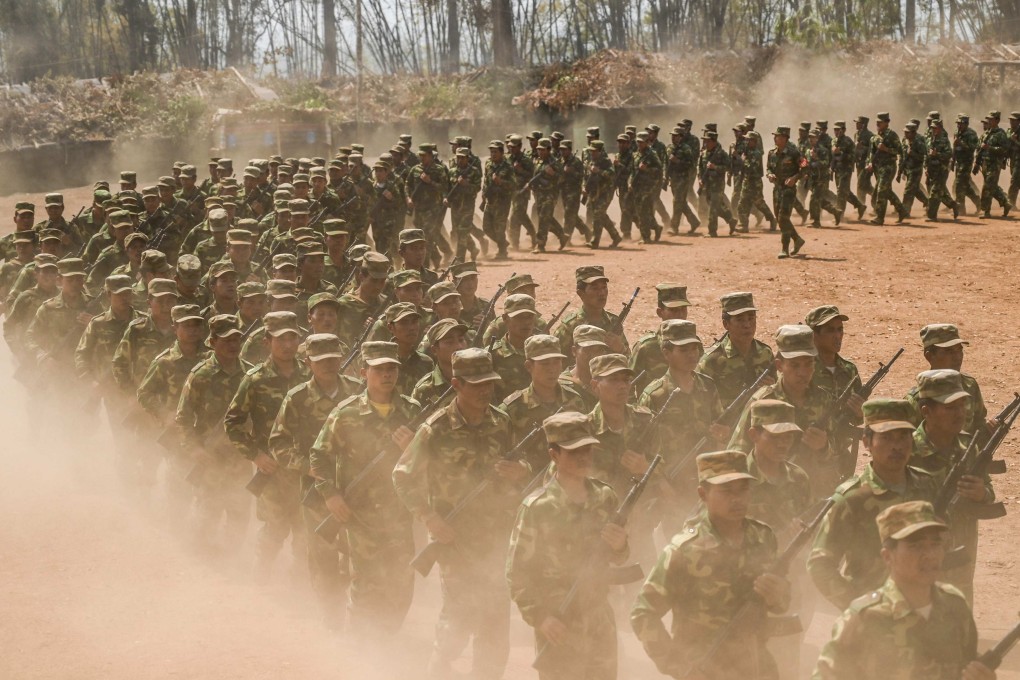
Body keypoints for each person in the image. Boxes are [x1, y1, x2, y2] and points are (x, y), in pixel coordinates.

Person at [393, 348, 526, 679]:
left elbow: (521, 464)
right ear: (456, 383)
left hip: (496, 537)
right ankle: (439, 669)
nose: (484, 390)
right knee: (460, 615)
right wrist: (428, 517)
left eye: (488, 384)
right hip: (454, 539)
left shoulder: (501, 421)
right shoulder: (435, 429)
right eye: (476, 384)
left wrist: (518, 470)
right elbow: (403, 475)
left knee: (495, 619)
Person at [631, 450, 791, 680]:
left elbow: (781, 600)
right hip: (704, 669)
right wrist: (678, 667)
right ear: (702, 494)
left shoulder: (763, 537)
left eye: (743, 489)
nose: (737, 499)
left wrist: (779, 596)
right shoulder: (684, 550)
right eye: (726, 491)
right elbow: (643, 613)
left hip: (756, 665)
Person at [506, 411, 629, 680]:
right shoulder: (536, 507)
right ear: (554, 455)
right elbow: (517, 574)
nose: (584, 457)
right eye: (574, 452)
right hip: (559, 622)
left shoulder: (605, 496)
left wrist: (620, 546)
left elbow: (619, 556)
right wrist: (540, 618)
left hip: (599, 619)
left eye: (587, 449)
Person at [813, 500, 996, 680]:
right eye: (915, 546)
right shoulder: (864, 618)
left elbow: (966, 667)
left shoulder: (954, 606)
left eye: (935, 544)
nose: (929, 555)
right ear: (887, 556)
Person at [310, 341, 418, 633]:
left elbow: (428, 464)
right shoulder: (345, 413)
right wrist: (330, 496)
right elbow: (319, 456)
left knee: (402, 583)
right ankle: (361, 648)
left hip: (399, 513)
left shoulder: (412, 410)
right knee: (367, 583)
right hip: (359, 515)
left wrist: (412, 449)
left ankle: (388, 641)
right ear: (363, 373)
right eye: (379, 369)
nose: (387, 375)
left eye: (391, 369)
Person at [807, 398, 940, 610]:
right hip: (872, 624)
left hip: (922, 612)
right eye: (887, 438)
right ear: (867, 442)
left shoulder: (927, 485)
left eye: (904, 436)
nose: (897, 446)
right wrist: (857, 607)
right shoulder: (852, 498)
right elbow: (820, 564)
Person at [268, 333, 361, 629]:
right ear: (307, 362)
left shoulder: (358, 393)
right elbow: (278, 442)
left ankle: (360, 615)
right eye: (321, 360)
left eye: (334, 358)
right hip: (316, 492)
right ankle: (330, 615)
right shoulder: (297, 398)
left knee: (360, 553)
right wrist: (307, 467)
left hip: (358, 488)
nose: (329, 364)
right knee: (323, 557)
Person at [224, 311, 310, 577]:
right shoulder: (255, 380)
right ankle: (261, 577)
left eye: (292, 338)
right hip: (272, 470)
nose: (287, 345)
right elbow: (233, 423)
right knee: (275, 526)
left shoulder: (311, 376)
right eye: (280, 339)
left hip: (306, 468)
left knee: (306, 528)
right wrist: (255, 456)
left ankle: (299, 581)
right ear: (266, 341)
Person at [909, 369, 996, 603]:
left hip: (961, 558)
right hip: (917, 559)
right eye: (950, 408)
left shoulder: (968, 446)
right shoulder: (906, 451)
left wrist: (981, 494)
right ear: (926, 411)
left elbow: (988, 493)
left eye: (962, 406)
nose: (960, 414)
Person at [175, 314, 253, 551]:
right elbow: (183, 418)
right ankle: (202, 560)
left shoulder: (250, 375)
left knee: (240, 512)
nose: (233, 345)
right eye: (226, 340)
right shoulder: (201, 376)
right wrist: (195, 449)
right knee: (209, 511)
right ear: (212, 342)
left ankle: (233, 559)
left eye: (236, 340)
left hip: (240, 457)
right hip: (211, 458)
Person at [639, 320, 726, 526]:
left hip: (706, 479)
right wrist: (661, 483)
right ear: (667, 353)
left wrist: (722, 435)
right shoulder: (655, 395)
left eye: (694, 348)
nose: (692, 354)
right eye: (683, 349)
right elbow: (643, 447)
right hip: (671, 484)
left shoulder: (707, 386)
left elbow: (720, 427)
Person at [501, 334, 587, 476]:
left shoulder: (574, 400)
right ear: (529, 366)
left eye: (556, 361)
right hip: (527, 485)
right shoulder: (512, 407)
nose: (552, 369)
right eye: (545, 363)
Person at [904, 323, 988, 434]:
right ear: (929, 356)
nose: (957, 356)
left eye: (959, 350)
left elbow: (978, 423)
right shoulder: (917, 399)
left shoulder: (969, 385)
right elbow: (905, 442)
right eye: (948, 351)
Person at [696, 291, 774, 405]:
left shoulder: (765, 353)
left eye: (751, 318)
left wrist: (772, 387)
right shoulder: (711, 361)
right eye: (740, 319)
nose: (747, 325)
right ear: (726, 324)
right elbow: (699, 403)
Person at [628, 283, 691, 393]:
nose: (680, 314)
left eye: (683, 309)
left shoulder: (693, 344)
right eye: (674, 310)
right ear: (659, 312)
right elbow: (627, 384)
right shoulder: (645, 346)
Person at [554, 265, 629, 356]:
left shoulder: (613, 321)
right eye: (595, 288)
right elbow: (554, 362)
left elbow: (630, 362)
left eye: (604, 287)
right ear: (580, 293)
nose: (601, 293)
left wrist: (621, 349)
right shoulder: (569, 327)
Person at [766, 126, 807, 257]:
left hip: (789, 190)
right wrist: (769, 175)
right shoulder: (771, 153)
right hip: (777, 189)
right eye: (775, 136)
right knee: (780, 219)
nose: (775, 138)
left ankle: (785, 248)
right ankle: (797, 239)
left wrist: (795, 178)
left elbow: (806, 168)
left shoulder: (794, 153)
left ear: (784, 138)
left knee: (783, 217)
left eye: (777, 136)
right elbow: (768, 169)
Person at [490, 293, 539, 402]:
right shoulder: (492, 355)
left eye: (529, 317)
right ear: (505, 319)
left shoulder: (545, 350)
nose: (526, 322)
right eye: (519, 317)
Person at [866, 112, 908, 225]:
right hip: (878, 168)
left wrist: (886, 149)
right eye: (877, 122)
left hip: (888, 167)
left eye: (881, 121)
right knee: (886, 191)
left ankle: (879, 217)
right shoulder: (875, 137)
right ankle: (902, 210)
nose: (878, 123)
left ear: (887, 123)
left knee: (881, 190)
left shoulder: (892, 135)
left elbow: (900, 151)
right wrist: (869, 163)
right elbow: (871, 152)